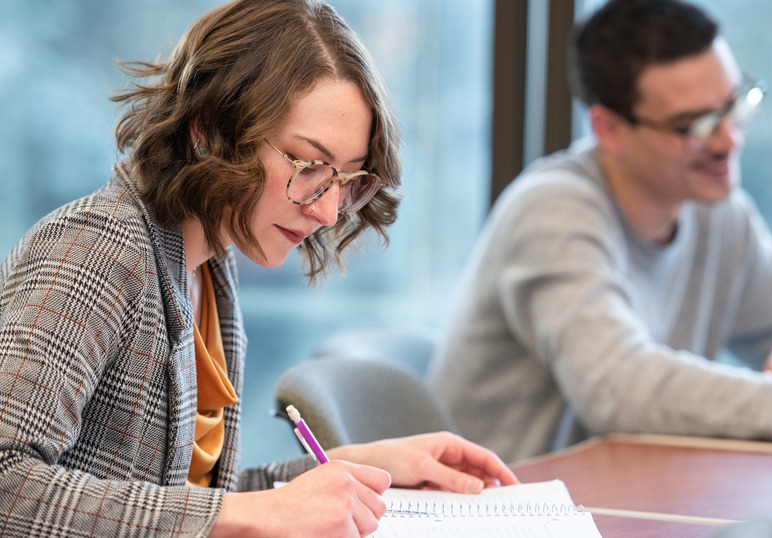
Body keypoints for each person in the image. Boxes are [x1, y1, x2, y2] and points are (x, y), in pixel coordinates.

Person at [0, 1, 518, 536]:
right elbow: (5, 485)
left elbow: (186, 502)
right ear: (207, 132)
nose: (326, 210)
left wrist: (360, 466)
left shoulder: (207, 264)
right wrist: (254, 513)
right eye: (309, 166)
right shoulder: (96, 249)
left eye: (346, 180)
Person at [429, 0, 772, 463]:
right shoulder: (552, 211)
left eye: (734, 105)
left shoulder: (717, 211)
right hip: (503, 511)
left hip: (636, 498)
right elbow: (620, 390)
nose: (730, 140)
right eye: (695, 125)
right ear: (608, 128)